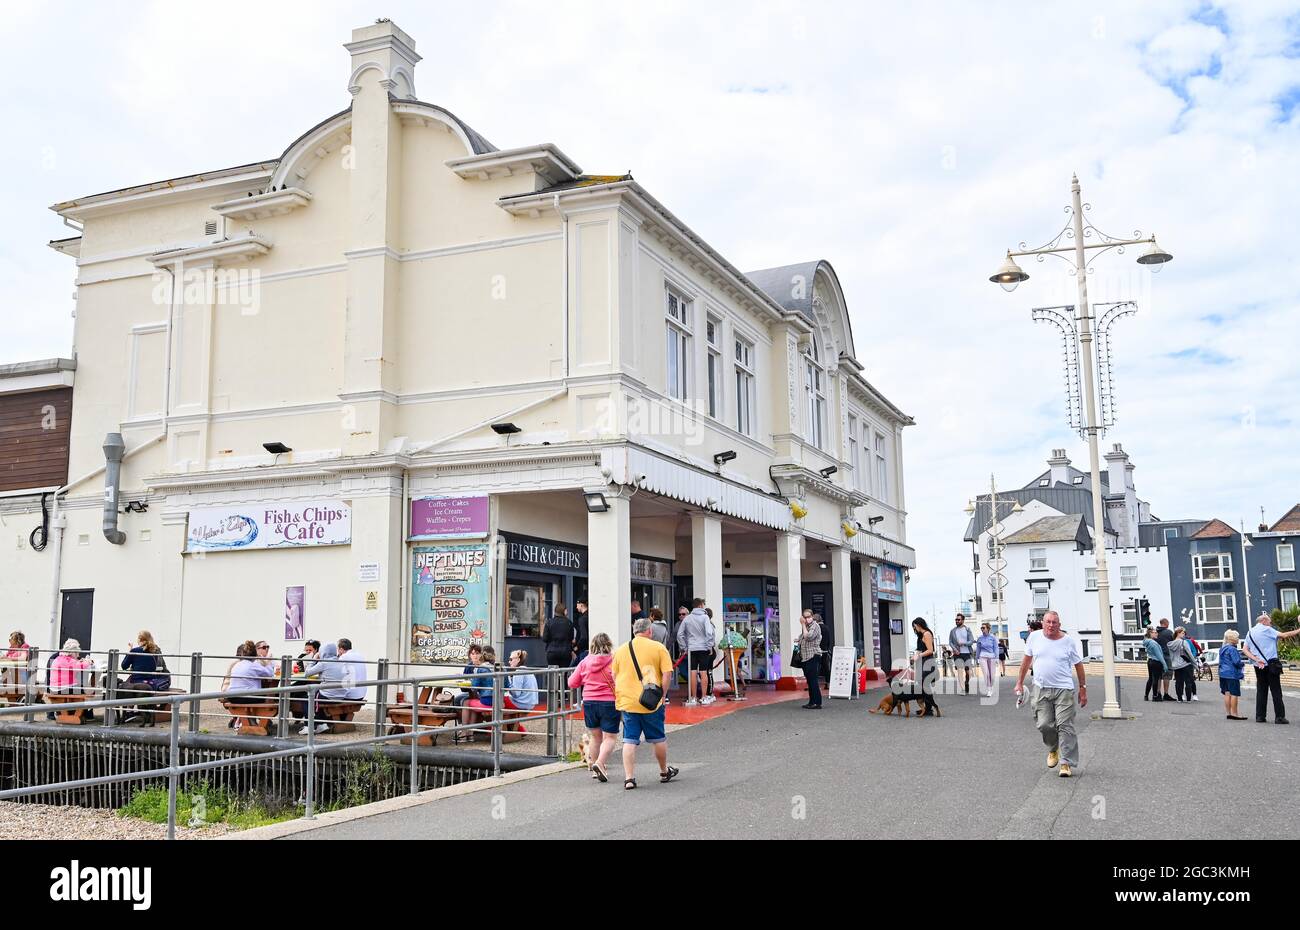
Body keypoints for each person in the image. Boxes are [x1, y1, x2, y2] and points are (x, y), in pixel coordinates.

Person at [1014, 611, 1086, 778]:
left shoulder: (1067, 641)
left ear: (1059, 624)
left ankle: (1066, 763)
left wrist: (1083, 688)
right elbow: (1026, 661)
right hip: (1041, 688)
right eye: (1048, 622)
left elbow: (1078, 665)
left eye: (1054, 622)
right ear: (1043, 623)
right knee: (1044, 724)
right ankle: (1053, 748)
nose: (1051, 625)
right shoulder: (1034, 638)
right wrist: (1019, 682)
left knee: (1065, 726)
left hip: (1064, 689)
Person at [610, 618, 677, 790]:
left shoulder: (621, 650)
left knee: (629, 740)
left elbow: (614, 675)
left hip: (628, 701)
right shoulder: (659, 648)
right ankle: (663, 771)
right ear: (649, 631)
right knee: (658, 738)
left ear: (634, 631)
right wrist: (663, 694)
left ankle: (629, 778)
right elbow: (667, 673)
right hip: (651, 701)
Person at [569, 632, 618, 782]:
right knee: (609, 737)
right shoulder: (614, 660)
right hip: (609, 702)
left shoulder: (585, 661)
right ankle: (600, 763)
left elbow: (572, 682)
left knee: (596, 737)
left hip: (589, 701)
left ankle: (597, 769)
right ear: (608, 645)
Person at [1242, 613, 1300, 724]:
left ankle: (1260, 716)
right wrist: (1298, 630)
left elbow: (1245, 649)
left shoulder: (1250, 632)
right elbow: (1284, 635)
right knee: (1276, 690)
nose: (1270, 624)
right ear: (1264, 620)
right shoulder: (1267, 629)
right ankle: (1279, 717)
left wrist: (1256, 659)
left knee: (1261, 690)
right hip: (1271, 664)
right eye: (1270, 621)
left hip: (1258, 665)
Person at [120, 630, 170, 726]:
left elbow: (124, 666)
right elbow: (153, 667)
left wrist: (129, 650)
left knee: (125, 686)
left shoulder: (135, 651)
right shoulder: (154, 651)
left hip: (137, 682)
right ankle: (139, 714)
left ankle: (127, 712)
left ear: (139, 639)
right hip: (151, 683)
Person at [228, 640, 278, 732]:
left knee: (263, 696)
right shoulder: (253, 665)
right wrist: (267, 661)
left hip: (232, 696)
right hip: (247, 696)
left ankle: (249, 723)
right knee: (271, 698)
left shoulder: (237, 664)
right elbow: (270, 673)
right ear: (255, 655)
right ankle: (255, 725)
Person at [677, 599, 715, 705]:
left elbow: (680, 634)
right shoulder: (705, 617)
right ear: (700, 605)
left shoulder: (687, 618)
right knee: (703, 672)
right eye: (703, 604)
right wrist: (709, 646)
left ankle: (693, 697)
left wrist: (684, 647)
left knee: (692, 672)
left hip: (692, 648)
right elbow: (709, 633)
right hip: (703, 648)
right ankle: (703, 697)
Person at [46, 639, 92, 721]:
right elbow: (81, 666)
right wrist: (88, 661)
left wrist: (80, 661)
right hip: (62, 688)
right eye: (77, 652)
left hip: (54, 688)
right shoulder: (69, 660)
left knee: (81, 689)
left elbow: (76, 665)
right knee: (85, 690)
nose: (78, 655)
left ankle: (70, 714)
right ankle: (79, 714)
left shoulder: (58, 658)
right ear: (73, 652)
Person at [909, 618, 941, 716]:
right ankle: (928, 709)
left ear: (919, 625)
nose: (914, 629)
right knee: (923, 685)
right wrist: (913, 658)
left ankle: (929, 709)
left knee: (924, 685)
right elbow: (919, 650)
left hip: (928, 663)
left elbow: (930, 650)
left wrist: (918, 656)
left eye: (914, 626)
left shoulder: (927, 634)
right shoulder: (920, 636)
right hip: (922, 663)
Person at [289, 639, 322, 725]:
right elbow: (298, 669)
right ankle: (298, 715)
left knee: (293, 691)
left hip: (314, 683)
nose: (307, 652)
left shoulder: (320, 658)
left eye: (310, 650)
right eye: (306, 650)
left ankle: (300, 716)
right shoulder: (302, 656)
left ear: (316, 650)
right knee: (290, 690)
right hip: (305, 681)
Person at [1218, 629, 1246, 721]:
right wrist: (1243, 664)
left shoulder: (1223, 648)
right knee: (1234, 694)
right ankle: (1235, 714)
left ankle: (1228, 713)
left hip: (1223, 673)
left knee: (1227, 693)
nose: (1238, 639)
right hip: (1232, 674)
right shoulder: (1232, 649)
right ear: (1232, 638)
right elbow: (1236, 662)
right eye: (1237, 637)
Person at [798, 610, 824, 709]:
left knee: (813, 680)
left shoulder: (815, 626)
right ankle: (811, 701)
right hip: (805, 657)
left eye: (809, 616)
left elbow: (808, 637)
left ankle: (817, 702)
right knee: (809, 680)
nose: (807, 618)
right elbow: (802, 637)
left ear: (812, 616)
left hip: (813, 655)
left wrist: (803, 625)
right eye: (805, 617)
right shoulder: (807, 627)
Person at [1168, 627, 1197, 702]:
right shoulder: (1184, 642)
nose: (1184, 634)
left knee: (1178, 682)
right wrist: (1195, 665)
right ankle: (1188, 699)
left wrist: (1173, 664)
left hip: (1176, 665)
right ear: (1178, 633)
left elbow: (1171, 656)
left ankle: (1179, 698)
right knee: (1188, 682)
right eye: (1183, 633)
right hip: (1186, 664)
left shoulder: (1170, 644)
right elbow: (1190, 654)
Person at [542, 604, 575, 669]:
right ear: (564, 611)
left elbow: (545, 639)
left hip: (552, 652)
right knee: (564, 673)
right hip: (565, 652)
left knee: (553, 674)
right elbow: (571, 638)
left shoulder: (549, 622)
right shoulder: (569, 623)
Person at [1142, 627, 1168, 702]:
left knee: (1150, 678)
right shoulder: (1154, 643)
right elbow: (1159, 655)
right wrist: (1164, 664)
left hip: (1150, 661)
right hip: (1156, 662)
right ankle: (1155, 696)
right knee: (1155, 679)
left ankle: (1146, 696)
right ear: (1150, 634)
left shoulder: (1147, 642)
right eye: (1155, 632)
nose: (1157, 634)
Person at [975, 622, 1000, 698]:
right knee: (986, 674)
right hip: (982, 656)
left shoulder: (993, 638)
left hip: (992, 656)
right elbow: (978, 649)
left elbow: (996, 648)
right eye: (981, 628)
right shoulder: (979, 638)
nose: (982, 629)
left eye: (983, 628)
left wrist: (997, 658)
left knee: (992, 675)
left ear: (988, 629)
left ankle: (991, 687)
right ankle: (989, 689)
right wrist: (977, 658)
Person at [1156, 619, 1175, 700]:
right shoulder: (1169, 632)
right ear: (1166, 623)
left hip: (1157, 656)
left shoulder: (1155, 632)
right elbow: (1174, 642)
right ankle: (1166, 694)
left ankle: (1158, 693)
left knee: (1158, 676)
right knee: (1167, 675)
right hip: (1167, 656)